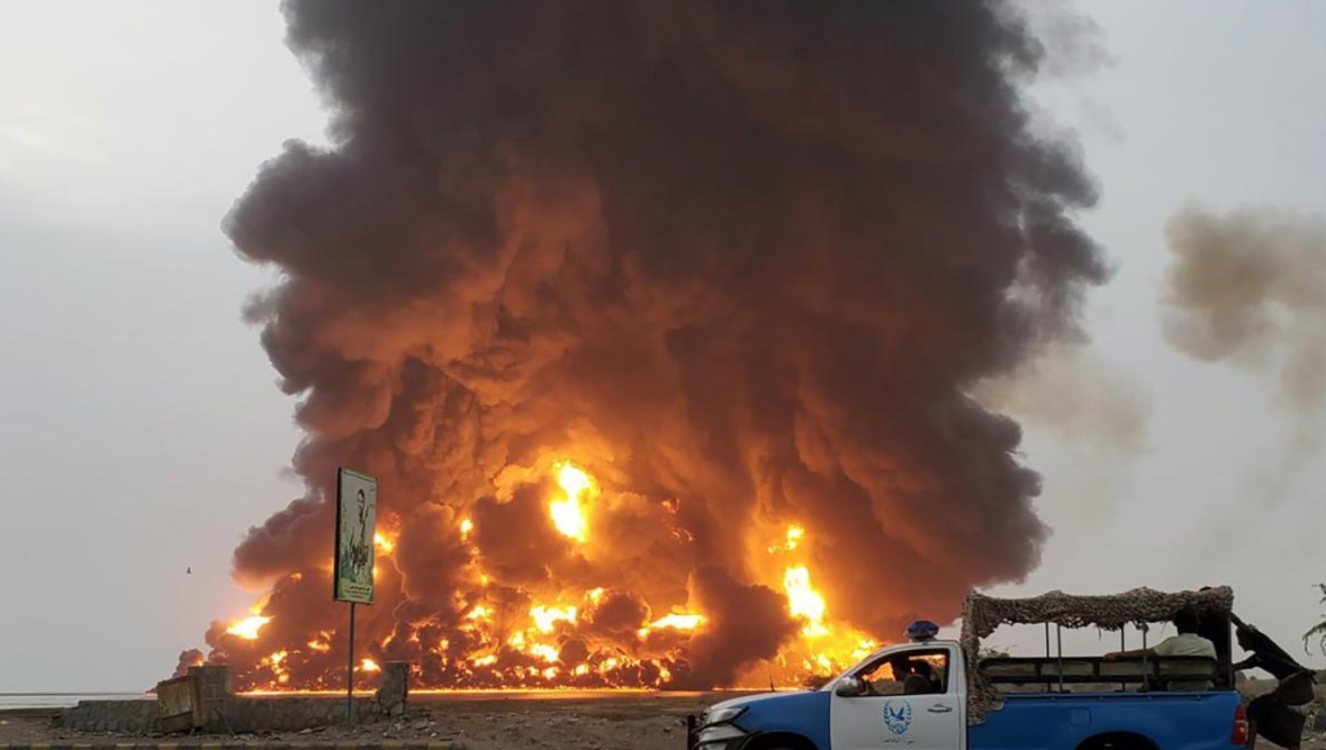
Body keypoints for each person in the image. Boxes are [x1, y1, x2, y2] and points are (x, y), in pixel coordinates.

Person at [1232, 614, 1314, 750]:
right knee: (1287, 725)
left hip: (1296, 687)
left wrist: (1226, 611)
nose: (1239, 643)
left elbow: (1243, 626)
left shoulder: (1263, 644)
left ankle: (1249, 746)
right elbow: (1236, 666)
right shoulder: (1258, 657)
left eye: (1239, 639)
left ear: (1247, 637)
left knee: (1255, 708)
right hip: (1299, 689)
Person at [1104, 608, 1217, 691]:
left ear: (1177, 626)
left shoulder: (1173, 642)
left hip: (1177, 688)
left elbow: (1147, 653)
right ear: (1197, 626)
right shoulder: (1209, 644)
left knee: (1152, 681)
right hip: (1203, 688)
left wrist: (1120, 654)